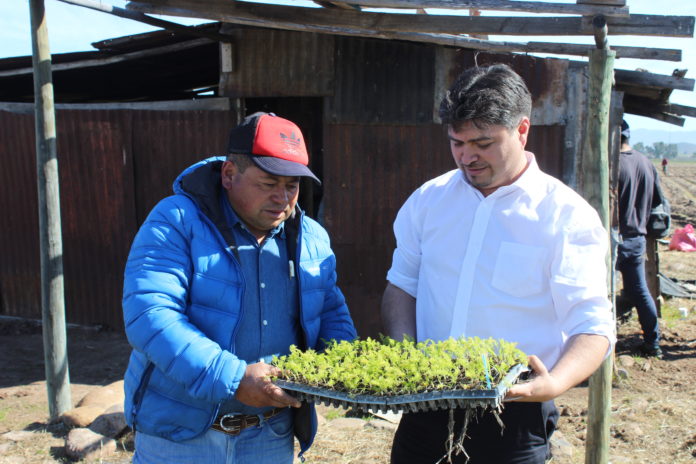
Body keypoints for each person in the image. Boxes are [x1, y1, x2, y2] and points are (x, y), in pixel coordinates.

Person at [381, 64, 615, 464]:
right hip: (426, 405)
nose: (467, 156)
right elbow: (402, 285)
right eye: (457, 142)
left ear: (522, 130)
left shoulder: (565, 216)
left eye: (483, 143)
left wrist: (553, 383)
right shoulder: (428, 201)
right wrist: (405, 357)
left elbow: (592, 324)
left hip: (514, 414)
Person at [121, 112, 357, 464]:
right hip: (181, 436)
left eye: (292, 186)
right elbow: (150, 316)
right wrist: (233, 379)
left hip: (270, 435)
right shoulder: (176, 222)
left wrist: (347, 366)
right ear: (230, 175)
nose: (283, 198)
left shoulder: (310, 237)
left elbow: (329, 312)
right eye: (268, 183)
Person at [617, 120, 663, 358]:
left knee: (598, 291)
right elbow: (658, 202)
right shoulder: (646, 163)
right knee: (640, 291)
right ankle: (653, 343)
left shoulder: (613, 164)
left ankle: (601, 346)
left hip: (613, 237)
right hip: (637, 238)